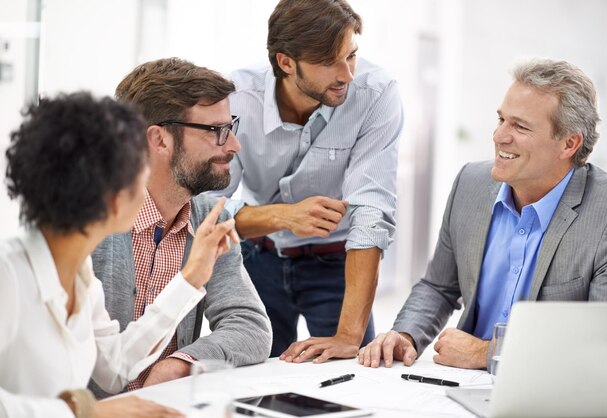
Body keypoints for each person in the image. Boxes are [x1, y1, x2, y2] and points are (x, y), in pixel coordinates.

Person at [359, 58, 607, 370]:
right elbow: (438, 286)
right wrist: (405, 334)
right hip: (458, 384)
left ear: (569, 144)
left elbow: (606, 343)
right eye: (501, 119)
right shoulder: (470, 184)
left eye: (520, 126)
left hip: (545, 390)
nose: (500, 136)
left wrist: (485, 353)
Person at [0, 92, 238, 418]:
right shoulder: (8, 275)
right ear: (111, 197)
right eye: (139, 174)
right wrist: (87, 413)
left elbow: (115, 368)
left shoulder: (80, 273)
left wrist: (192, 277)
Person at [206, 0, 403, 362]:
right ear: (286, 62)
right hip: (256, 259)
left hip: (337, 263)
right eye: (329, 62)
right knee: (251, 383)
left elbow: (372, 211)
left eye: (352, 56)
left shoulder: (376, 94)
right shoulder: (236, 99)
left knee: (346, 384)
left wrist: (348, 336)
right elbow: (206, 210)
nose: (346, 74)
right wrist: (282, 215)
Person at [89, 58, 272, 396]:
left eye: (230, 126)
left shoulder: (208, 219)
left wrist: (181, 363)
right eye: (216, 131)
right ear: (159, 140)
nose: (234, 145)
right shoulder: (86, 223)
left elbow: (250, 326)